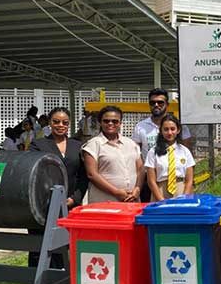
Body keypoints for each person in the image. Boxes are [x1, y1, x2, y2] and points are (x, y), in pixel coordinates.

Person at [30, 107, 89, 270]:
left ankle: (69, 278)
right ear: (50, 123)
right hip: (46, 203)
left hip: (71, 202)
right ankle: (39, 279)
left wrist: (75, 198)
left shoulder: (77, 145)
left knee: (70, 242)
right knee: (44, 241)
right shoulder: (39, 144)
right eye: (56, 122)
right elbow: (33, 173)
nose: (60, 125)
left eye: (64, 122)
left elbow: (83, 176)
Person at [132, 89, 193, 201]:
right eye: (152, 103)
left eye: (160, 102)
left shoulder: (181, 128)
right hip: (150, 179)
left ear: (167, 104)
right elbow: (135, 154)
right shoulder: (140, 127)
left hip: (178, 182)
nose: (156, 105)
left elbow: (187, 156)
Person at [83, 105, 143, 203]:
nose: (110, 124)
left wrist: (138, 189)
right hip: (104, 201)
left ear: (120, 123)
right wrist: (116, 192)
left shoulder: (131, 143)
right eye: (106, 121)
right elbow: (92, 174)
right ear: (100, 123)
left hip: (131, 200)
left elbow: (140, 169)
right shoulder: (93, 144)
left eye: (115, 121)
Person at [145, 114, 196, 201]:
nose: (169, 133)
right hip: (160, 191)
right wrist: (161, 199)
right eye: (166, 129)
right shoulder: (153, 152)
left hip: (181, 190)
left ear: (178, 130)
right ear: (160, 131)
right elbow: (151, 181)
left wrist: (184, 198)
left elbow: (189, 180)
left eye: (172, 129)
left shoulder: (185, 151)